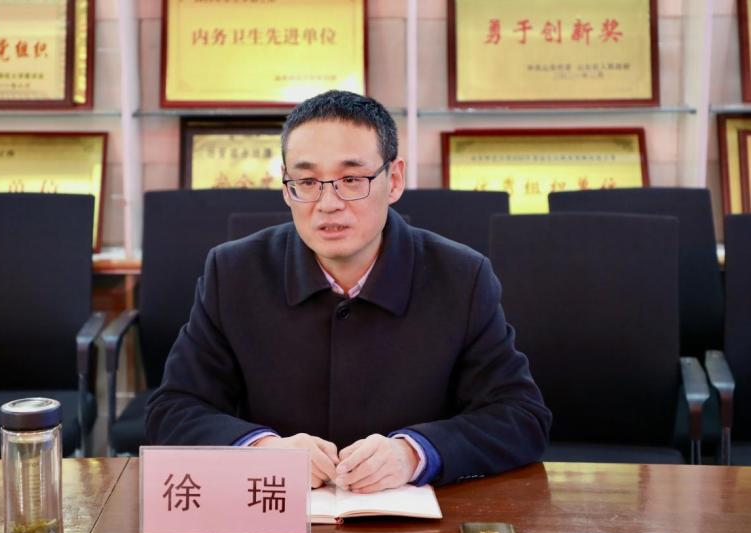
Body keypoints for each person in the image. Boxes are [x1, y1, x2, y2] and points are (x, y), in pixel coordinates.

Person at [146, 90, 551, 493]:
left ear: (394, 181)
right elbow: (174, 409)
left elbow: (520, 416)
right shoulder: (234, 272)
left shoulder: (461, 276)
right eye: (307, 181)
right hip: (277, 510)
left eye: (352, 180)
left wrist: (413, 453)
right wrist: (263, 450)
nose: (328, 204)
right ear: (286, 187)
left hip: (411, 516)